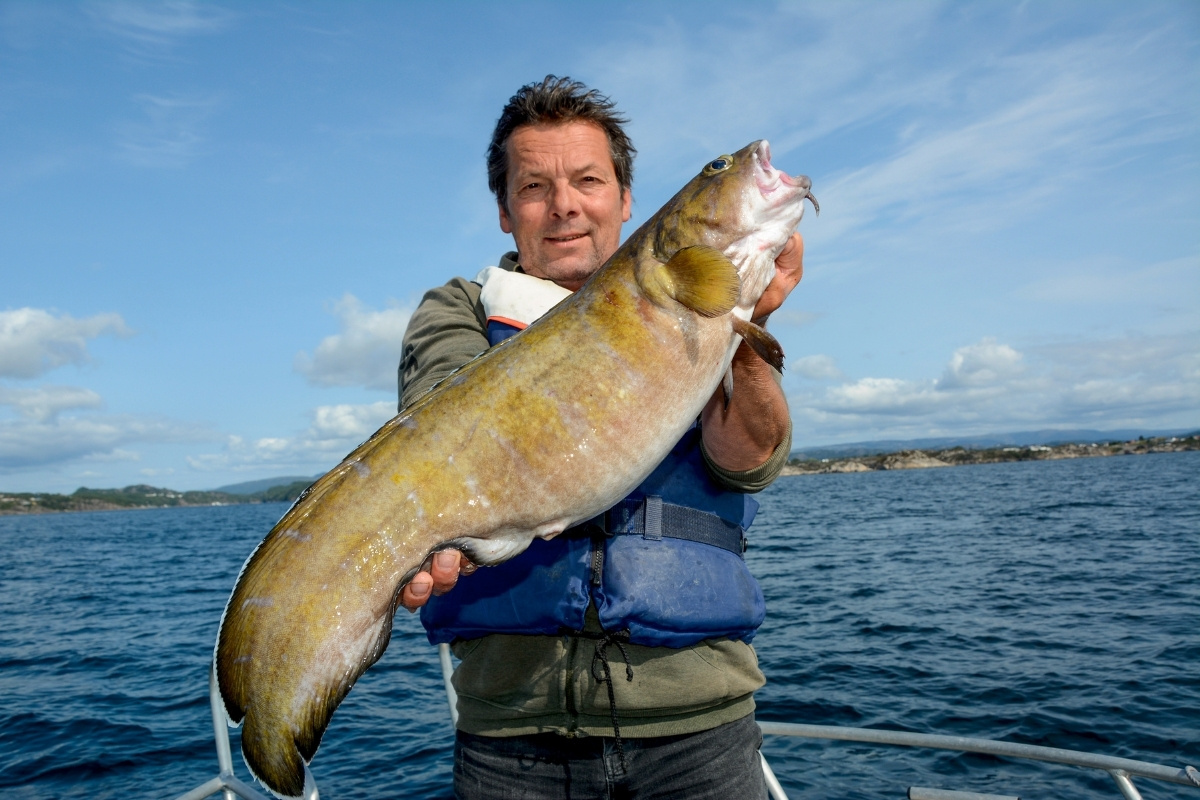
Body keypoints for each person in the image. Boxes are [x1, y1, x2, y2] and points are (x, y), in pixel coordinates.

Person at [396, 75, 803, 799]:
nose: (564, 206)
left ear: (625, 199)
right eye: (533, 186)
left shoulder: (698, 302)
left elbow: (746, 464)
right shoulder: (458, 310)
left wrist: (746, 326)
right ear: (503, 210)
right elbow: (444, 440)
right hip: (511, 738)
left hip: (700, 731)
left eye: (588, 180)